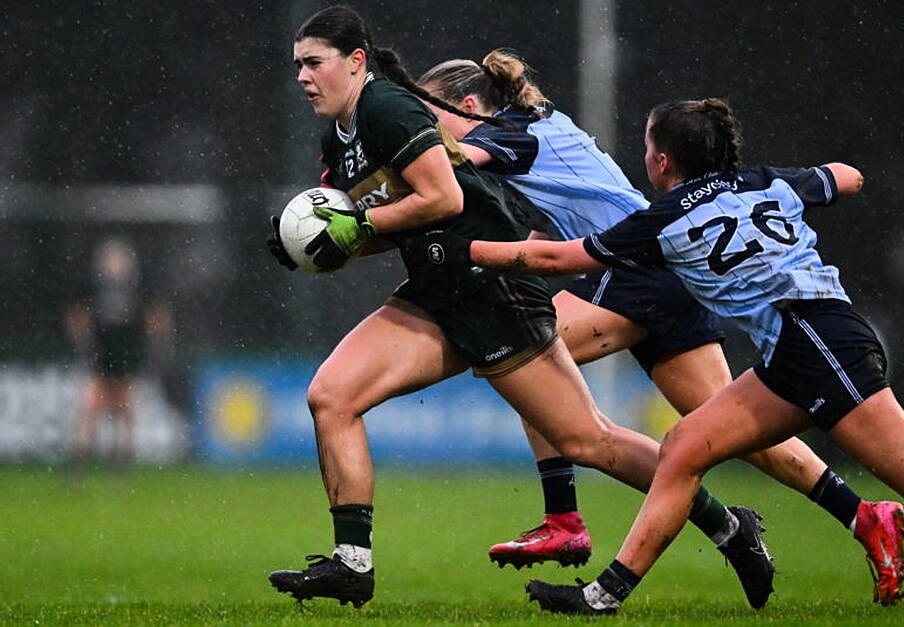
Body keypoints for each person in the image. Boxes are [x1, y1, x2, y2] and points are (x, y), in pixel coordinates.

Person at [403, 98, 904, 614]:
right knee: (685, 445)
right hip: (807, 341)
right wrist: (823, 184)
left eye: (646, 147)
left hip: (820, 345)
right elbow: (844, 177)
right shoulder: (766, 181)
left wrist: (465, 249)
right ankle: (605, 595)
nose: (643, 157)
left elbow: (554, 260)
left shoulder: (663, 217)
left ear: (664, 162)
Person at [263, 7, 773, 610]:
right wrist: (317, 244)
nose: (302, 76)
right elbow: (379, 225)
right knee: (332, 396)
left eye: (313, 63)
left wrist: (360, 226)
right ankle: (353, 564)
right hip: (436, 290)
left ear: (355, 62)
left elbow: (442, 198)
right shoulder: (340, 137)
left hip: (493, 292)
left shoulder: (388, 109)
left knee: (588, 441)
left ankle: (730, 528)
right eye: (297, 65)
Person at [415, 51, 904, 604]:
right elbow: (547, 222)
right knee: (739, 434)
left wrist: (373, 179)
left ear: (467, 105)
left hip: (633, 269)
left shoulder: (509, 133)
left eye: (428, 117)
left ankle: (565, 519)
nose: (424, 130)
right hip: (666, 274)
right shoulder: (535, 127)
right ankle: (858, 515)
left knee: (526, 360)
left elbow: (442, 164)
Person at [64, 236, 171, 473]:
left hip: (126, 351)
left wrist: (156, 345)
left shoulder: (138, 286)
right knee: (91, 407)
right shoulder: (93, 286)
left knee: (123, 407)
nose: (115, 265)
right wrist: (83, 342)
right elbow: (78, 314)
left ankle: (119, 460)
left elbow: (155, 316)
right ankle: (80, 459)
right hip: (101, 351)